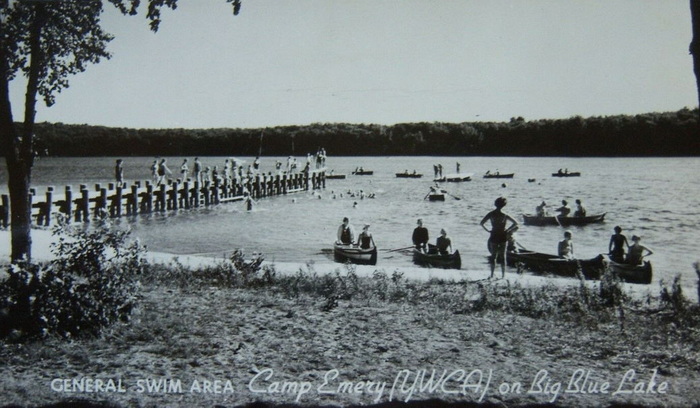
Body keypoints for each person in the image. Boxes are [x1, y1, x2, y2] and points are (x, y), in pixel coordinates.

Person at [480, 197, 518, 279]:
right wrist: (508, 230)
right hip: (503, 235)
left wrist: (488, 230)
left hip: (494, 234)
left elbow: (482, 223)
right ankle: (503, 275)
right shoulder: (505, 215)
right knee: (503, 256)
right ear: (504, 205)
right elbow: (516, 223)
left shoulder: (491, 214)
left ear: (495, 204)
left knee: (494, 256)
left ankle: (492, 275)